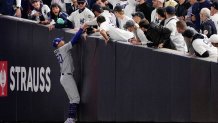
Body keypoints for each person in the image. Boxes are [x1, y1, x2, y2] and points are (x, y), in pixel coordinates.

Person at [52, 24, 87, 123]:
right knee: (75, 98)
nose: (63, 40)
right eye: (61, 40)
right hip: (66, 76)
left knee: (73, 99)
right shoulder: (62, 49)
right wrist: (80, 29)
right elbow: (74, 40)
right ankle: (70, 118)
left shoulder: (59, 50)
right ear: (59, 44)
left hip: (65, 77)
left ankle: (71, 118)